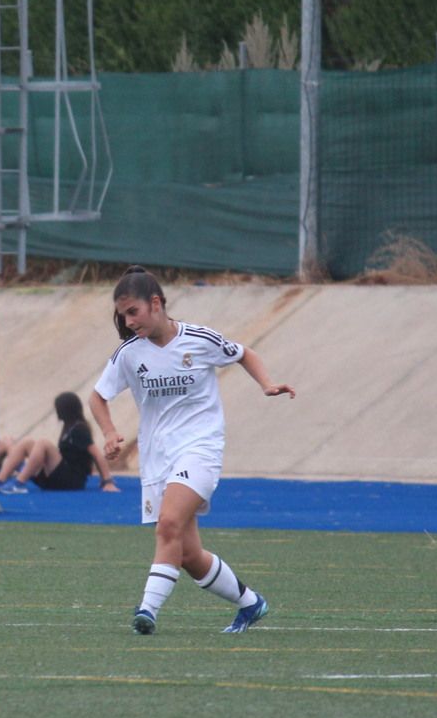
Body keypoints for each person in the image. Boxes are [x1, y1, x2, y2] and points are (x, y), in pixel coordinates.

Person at [89, 265, 294, 635]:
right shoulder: (130, 354)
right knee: (186, 553)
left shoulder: (198, 339)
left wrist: (266, 384)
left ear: (156, 303)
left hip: (199, 448)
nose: (128, 321)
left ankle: (147, 610)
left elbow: (244, 353)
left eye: (133, 312)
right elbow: (98, 397)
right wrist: (108, 432)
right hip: (157, 458)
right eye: (123, 316)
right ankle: (251, 604)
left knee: (168, 524)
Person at [0, 391, 120, 494]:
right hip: (59, 476)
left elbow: (96, 454)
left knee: (43, 443)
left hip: (71, 480)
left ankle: (19, 483)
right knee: (27, 442)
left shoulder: (79, 429)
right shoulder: (68, 427)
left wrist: (107, 481)